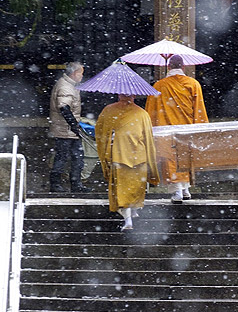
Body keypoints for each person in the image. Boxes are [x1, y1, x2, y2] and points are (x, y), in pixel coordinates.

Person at [145, 54, 208, 203]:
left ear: (168, 67)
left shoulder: (159, 85)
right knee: (185, 158)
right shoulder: (193, 84)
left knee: (171, 159)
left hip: (166, 130)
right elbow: (199, 109)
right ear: (183, 67)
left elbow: (150, 111)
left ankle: (178, 191)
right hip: (187, 130)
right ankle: (185, 189)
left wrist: (150, 129)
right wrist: (201, 128)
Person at [94, 94, 159, 230]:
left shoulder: (109, 110)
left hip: (119, 155)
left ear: (118, 95)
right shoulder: (142, 113)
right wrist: (151, 161)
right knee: (135, 187)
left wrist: (109, 146)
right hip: (139, 157)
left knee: (121, 189)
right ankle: (133, 211)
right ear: (134, 96)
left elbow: (100, 132)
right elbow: (148, 138)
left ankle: (127, 217)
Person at [49, 61, 89, 193]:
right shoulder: (65, 87)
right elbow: (64, 107)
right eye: (81, 73)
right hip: (64, 130)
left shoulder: (69, 85)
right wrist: (73, 124)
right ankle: (57, 185)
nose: (82, 76)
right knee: (64, 157)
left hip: (69, 130)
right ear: (74, 73)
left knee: (76, 157)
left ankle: (75, 184)